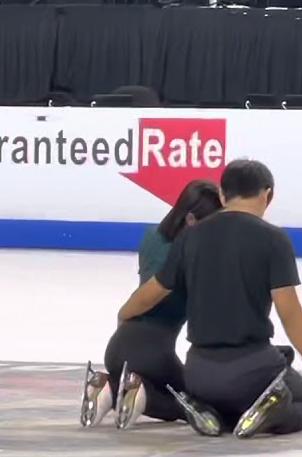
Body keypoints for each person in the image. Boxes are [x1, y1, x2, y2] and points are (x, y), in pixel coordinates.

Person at [115, 159, 302, 439]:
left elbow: (150, 293)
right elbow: (291, 314)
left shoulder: (190, 237)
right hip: (253, 370)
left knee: (227, 407)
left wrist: (124, 314)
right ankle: (273, 412)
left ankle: (209, 413)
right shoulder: (273, 239)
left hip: (199, 374)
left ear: (223, 195)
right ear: (267, 195)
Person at [81, 179, 224, 430]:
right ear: (191, 219)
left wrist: (124, 316)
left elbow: (144, 290)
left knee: (177, 392)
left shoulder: (151, 236)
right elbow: (156, 293)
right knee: (199, 406)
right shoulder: (191, 253)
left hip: (118, 345)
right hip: (153, 354)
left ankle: (110, 387)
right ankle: (140, 395)